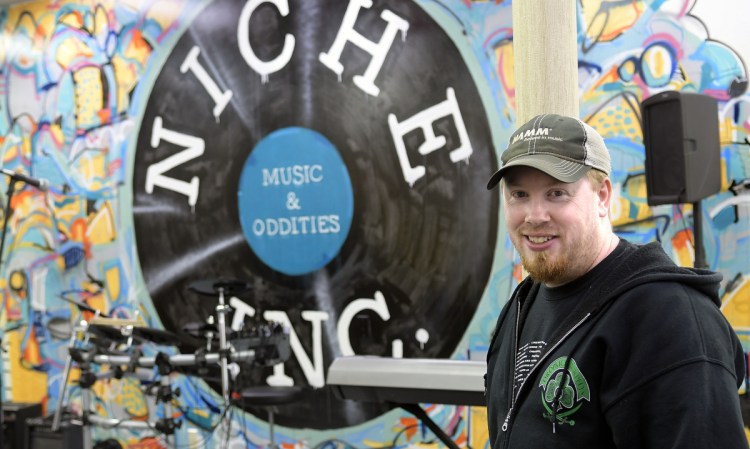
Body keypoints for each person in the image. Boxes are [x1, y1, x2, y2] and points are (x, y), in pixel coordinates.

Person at [484, 113, 749, 448]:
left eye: (556, 193)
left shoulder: (669, 318)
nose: (535, 216)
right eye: (519, 195)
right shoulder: (523, 304)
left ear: (602, 197)